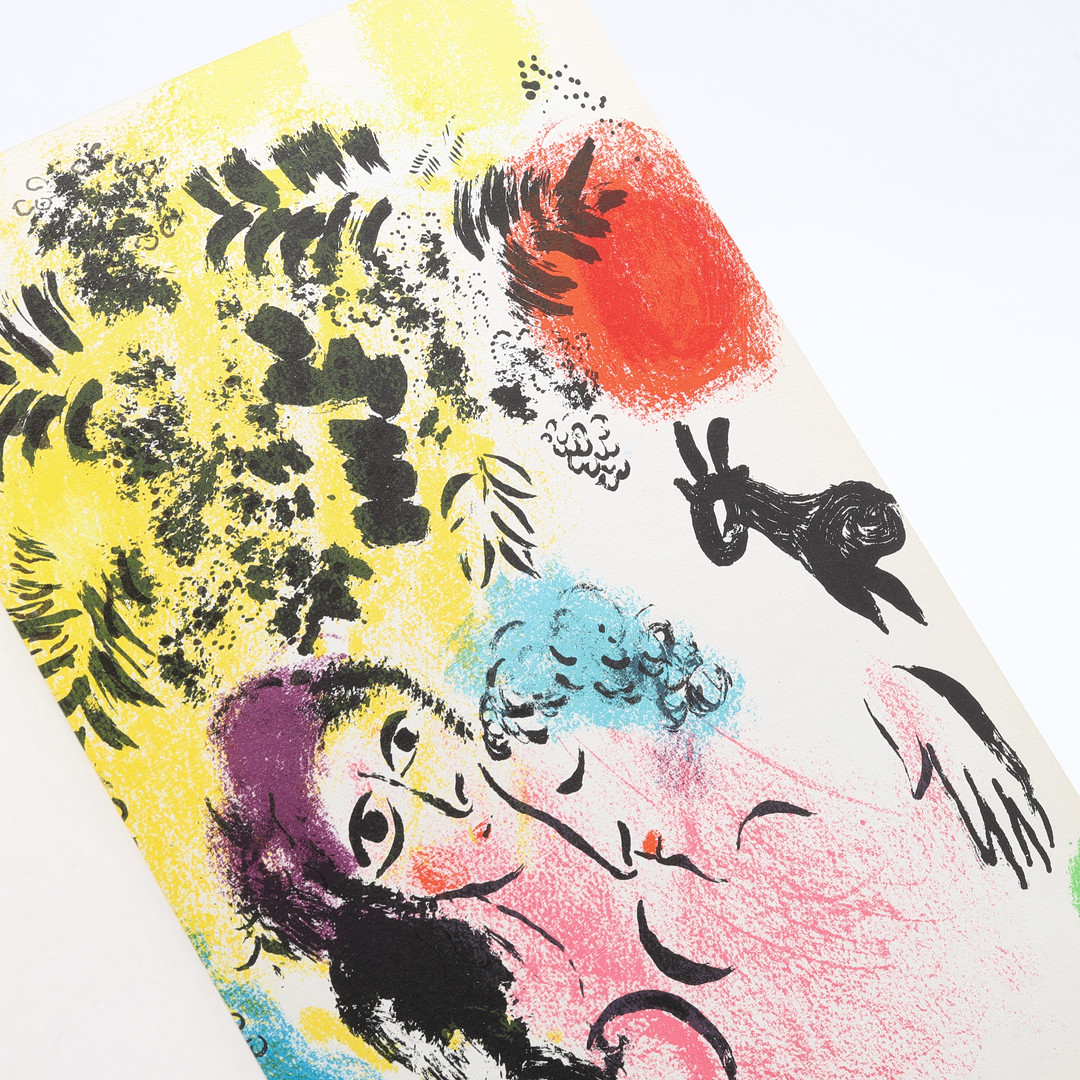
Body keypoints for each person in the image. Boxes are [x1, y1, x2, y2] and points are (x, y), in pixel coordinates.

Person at [209, 583, 1045, 1080]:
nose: (440, 794)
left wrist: (920, 702)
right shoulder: (517, 995)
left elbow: (789, 741)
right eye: (380, 825)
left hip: (971, 951)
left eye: (403, 740)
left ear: (428, 703)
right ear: (379, 894)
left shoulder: (586, 724)